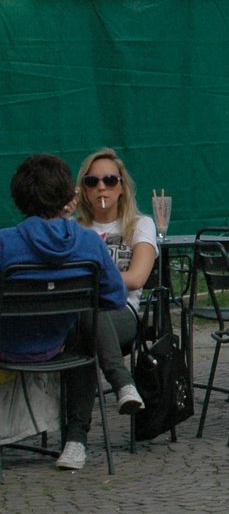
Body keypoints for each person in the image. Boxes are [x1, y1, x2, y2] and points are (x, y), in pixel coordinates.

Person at [0, 153, 134, 470]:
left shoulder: (5, 243)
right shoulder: (89, 243)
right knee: (86, 317)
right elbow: (114, 298)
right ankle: (77, 440)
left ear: (18, 197)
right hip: (57, 347)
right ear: (69, 197)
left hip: (6, 348)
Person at [74, 149, 157, 410]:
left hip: (123, 310)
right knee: (84, 329)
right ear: (84, 190)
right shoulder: (75, 228)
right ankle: (123, 384)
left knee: (87, 322)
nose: (101, 187)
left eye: (110, 180)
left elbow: (136, 277)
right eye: (92, 181)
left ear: (121, 186)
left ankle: (74, 438)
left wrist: (92, 282)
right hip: (82, 314)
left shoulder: (140, 224)